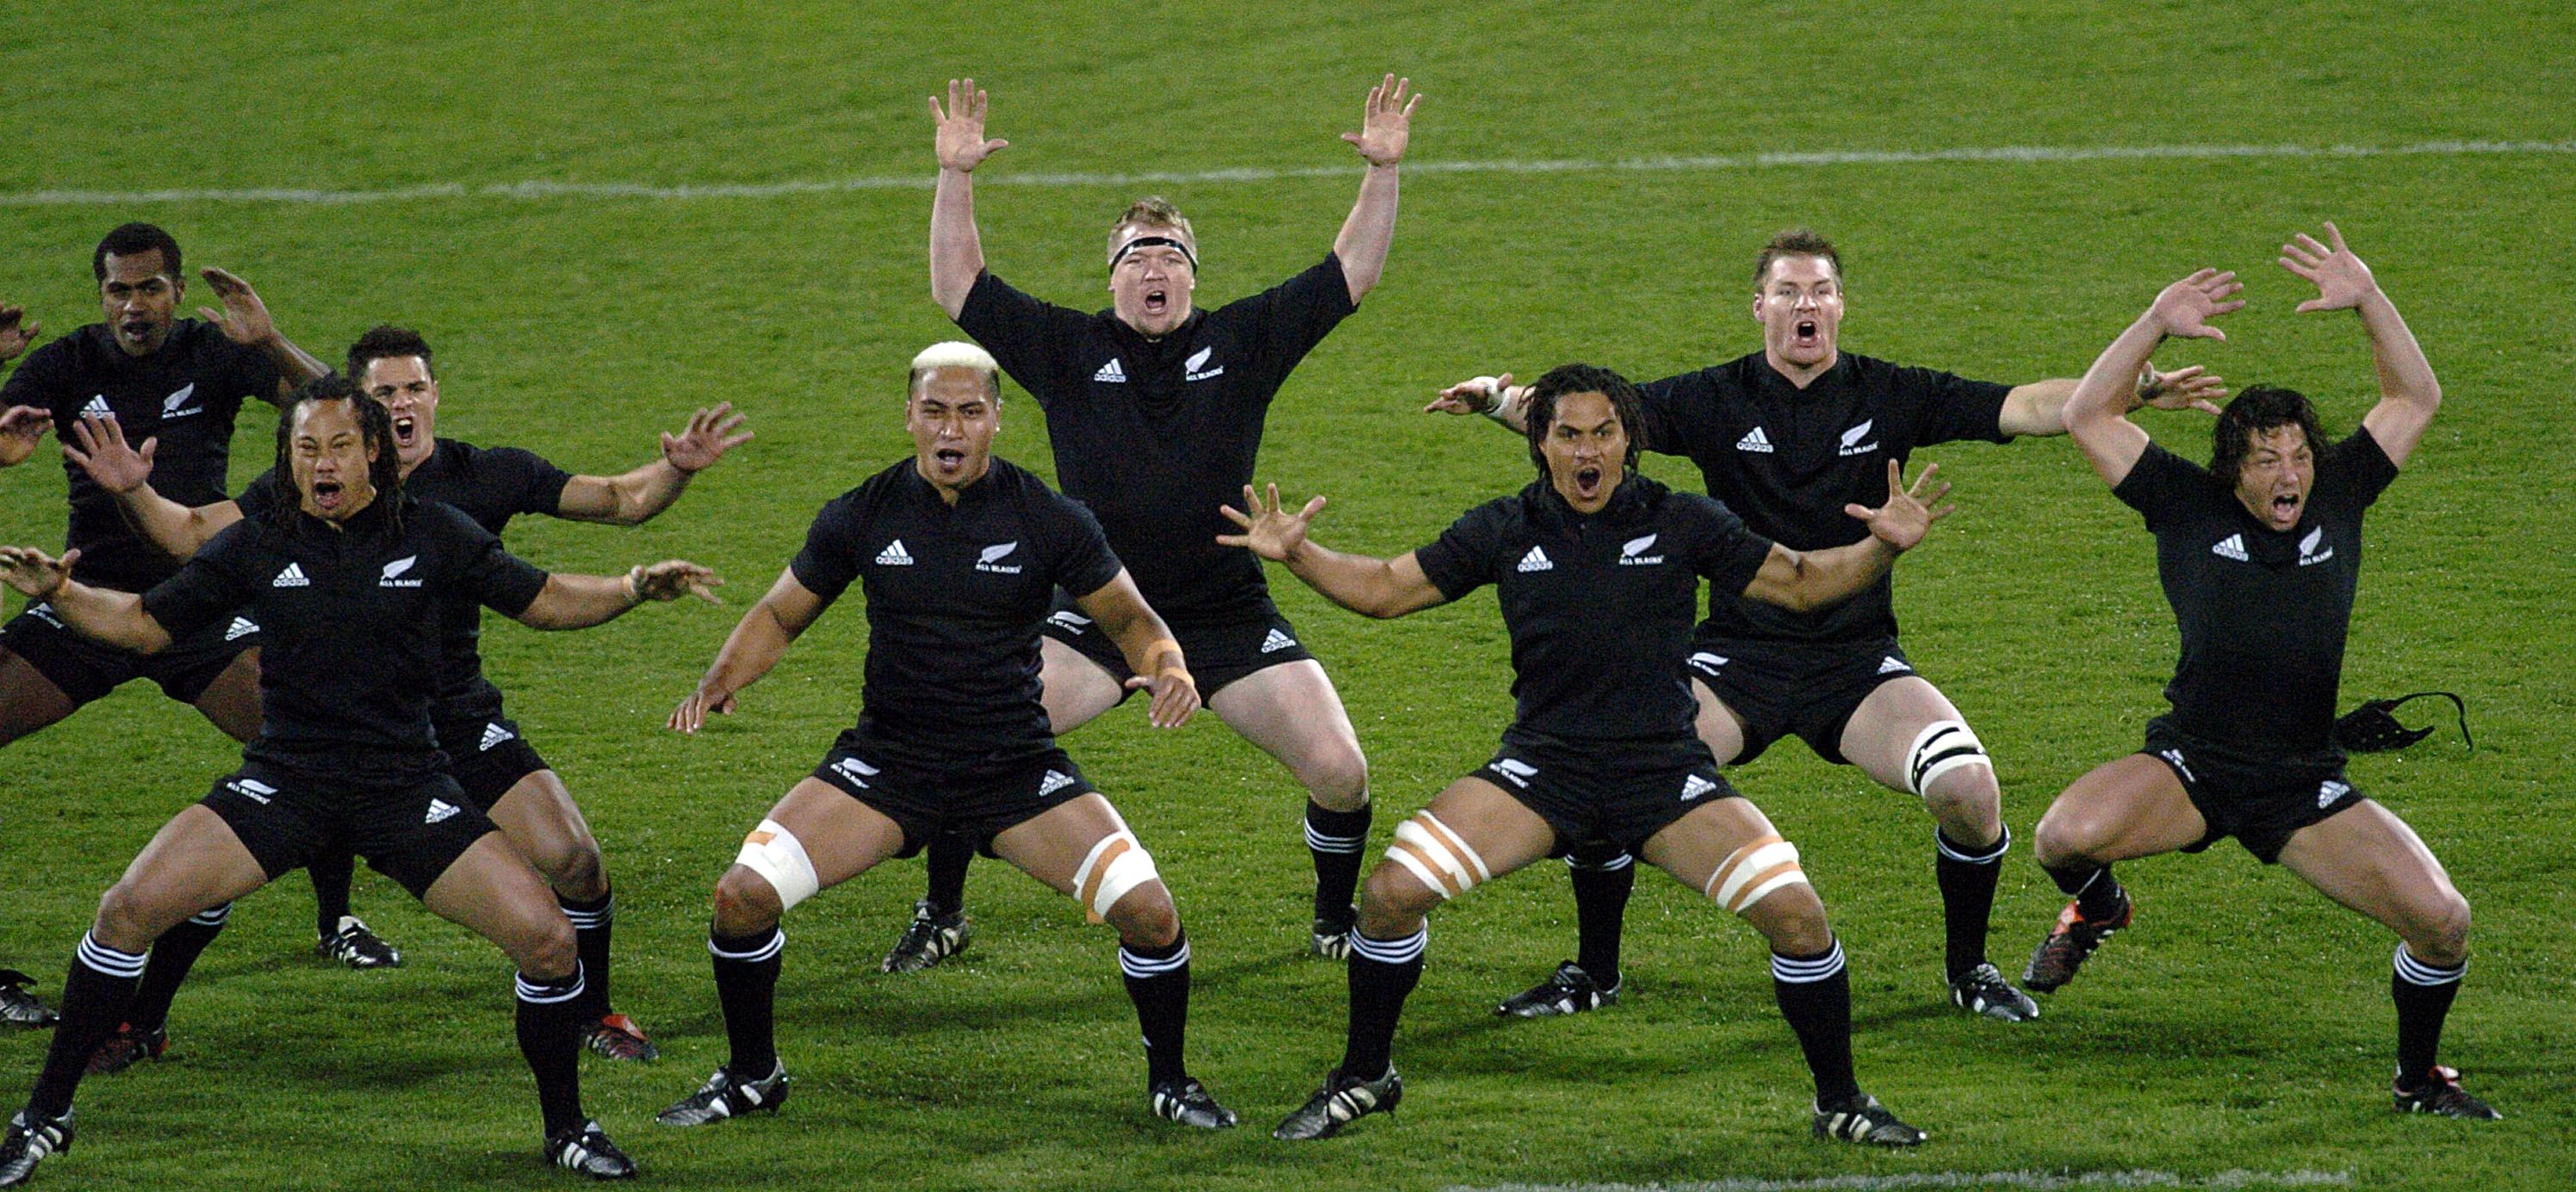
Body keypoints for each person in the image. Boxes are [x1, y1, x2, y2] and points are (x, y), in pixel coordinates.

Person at [1430, 228, 2225, 1022]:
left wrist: (2129, 388)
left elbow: (2027, 405)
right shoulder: (1711, 396)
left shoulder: (1890, 392)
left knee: (1968, 790)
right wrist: (1497, 402)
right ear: (1759, 308)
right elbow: (1588, 430)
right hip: (1732, 660)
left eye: (1819, 291)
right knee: (1614, 779)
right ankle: (1594, 973)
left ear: (1840, 307)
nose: (1804, 305)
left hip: (1854, 662)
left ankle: (1969, 972)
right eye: (1787, 292)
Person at [0, 376, 725, 1183]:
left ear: (373, 451)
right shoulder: (257, 542)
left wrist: (630, 589)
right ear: (289, 459)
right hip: (286, 782)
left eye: (340, 445)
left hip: (403, 789)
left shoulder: (436, 533)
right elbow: (142, 623)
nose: (323, 463)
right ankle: (44, 1117)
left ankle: (566, 1130)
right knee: (125, 910)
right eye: (306, 447)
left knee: (551, 942)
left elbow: (545, 599)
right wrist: (63, 593)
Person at [1231, 363, 1941, 1145]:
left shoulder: (1681, 519)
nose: (1586, 451)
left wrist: (1881, 549)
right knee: (1393, 894)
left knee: (1799, 919)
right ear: (1540, 443)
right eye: (1568, 434)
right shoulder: (1503, 528)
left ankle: (1838, 1101)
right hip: (1543, 773)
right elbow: (1385, 590)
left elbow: (1803, 583)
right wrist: (1298, 554)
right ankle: (1364, 1078)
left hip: (1663, 774)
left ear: (1628, 441)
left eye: (1603, 432)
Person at [655, 343, 1235, 1130]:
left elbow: (1129, 617)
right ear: (909, 418)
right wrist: (721, 678)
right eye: (934, 411)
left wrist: (1167, 665)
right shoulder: (862, 511)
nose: (950, 428)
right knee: (742, 897)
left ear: (996, 419)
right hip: (888, 763)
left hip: (1012, 768)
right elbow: (781, 612)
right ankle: (754, 1074)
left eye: (968, 411)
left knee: (1150, 914)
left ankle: (1169, 1081)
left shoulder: (1047, 517)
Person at [911, 75, 1415, 966]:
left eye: (1173, 255)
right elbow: (959, 286)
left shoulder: (1244, 343)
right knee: (968, 738)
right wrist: (956, 174)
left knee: (1342, 773)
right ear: (1113, 278)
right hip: (1097, 617)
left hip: (1223, 612)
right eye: (1138, 256)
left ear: (1193, 276)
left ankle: (1333, 921)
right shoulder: (1069, 350)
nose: (1156, 268)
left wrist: (1381, 172)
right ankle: (942, 910)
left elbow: (1352, 275)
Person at [2022, 225, 2498, 1120]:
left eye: (2300, 456)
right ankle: (2097, 909)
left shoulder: (2342, 491)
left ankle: (2418, 1079)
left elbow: (2416, 395)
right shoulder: (2182, 503)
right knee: (2060, 837)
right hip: (2193, 767)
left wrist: (2369, 297)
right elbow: (2091, 413)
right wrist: (2155, 322)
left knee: (2444, 922)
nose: (2291, 474)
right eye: (2269, 460)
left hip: (2300, 783)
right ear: (2233, 470)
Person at [0, 225, 401, 1003]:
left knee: (315, 736)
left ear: (179, 293)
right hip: (85, 597)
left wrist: (273, 341)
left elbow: (353, 420)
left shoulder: (215, 352)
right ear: (100, 296)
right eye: (119, 289)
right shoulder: (68, 362)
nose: (135, 305)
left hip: (201, 599)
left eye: (151, 288)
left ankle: (338, 921)